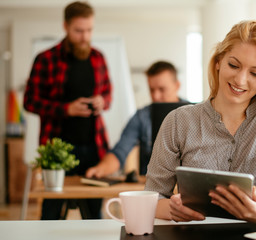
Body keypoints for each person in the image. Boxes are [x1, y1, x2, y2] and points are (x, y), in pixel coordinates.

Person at [144, 20, 256, 226]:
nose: (240, 80)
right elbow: (152, 198)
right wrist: (172, 209)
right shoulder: (178, 121)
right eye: (233, 65)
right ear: (218, 61)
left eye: (255, 73)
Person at [23, 1, 111, 220]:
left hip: (94, 147)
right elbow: (29, 101)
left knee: (94, 213)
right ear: (66, 26)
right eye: (79, 31)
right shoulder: (46, 59)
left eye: (89, 30)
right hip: (57, 150)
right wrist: (66, 109)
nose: (85, 36)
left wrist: (102, 101)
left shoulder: (98, 58)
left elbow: (108, 94)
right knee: (51, 212)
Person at [86, 61, 189, 178]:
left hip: (188, 186)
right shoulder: (141, 116)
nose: (155, 96)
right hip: (151, 187)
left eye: (162, 89)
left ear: (177, 86)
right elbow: (120, 150)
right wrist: (101, 169)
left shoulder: (194, 113)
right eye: (151, 90)